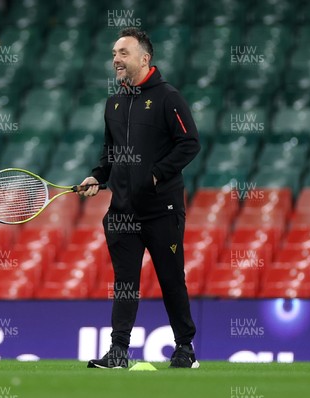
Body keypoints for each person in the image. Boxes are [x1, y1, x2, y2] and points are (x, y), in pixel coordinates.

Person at [79, 27, 201, 369]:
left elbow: (189, 143)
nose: (116, 59)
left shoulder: (168, 97)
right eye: (114, 53)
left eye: (123, 53)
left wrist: (155, 173)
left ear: (144, 58)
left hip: (162, 210)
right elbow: (110, 152)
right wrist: (98, 176)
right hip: (122, 213)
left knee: (171, 279)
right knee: (125, 285)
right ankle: (119, 352)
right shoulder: (113, 102)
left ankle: (185, 348)